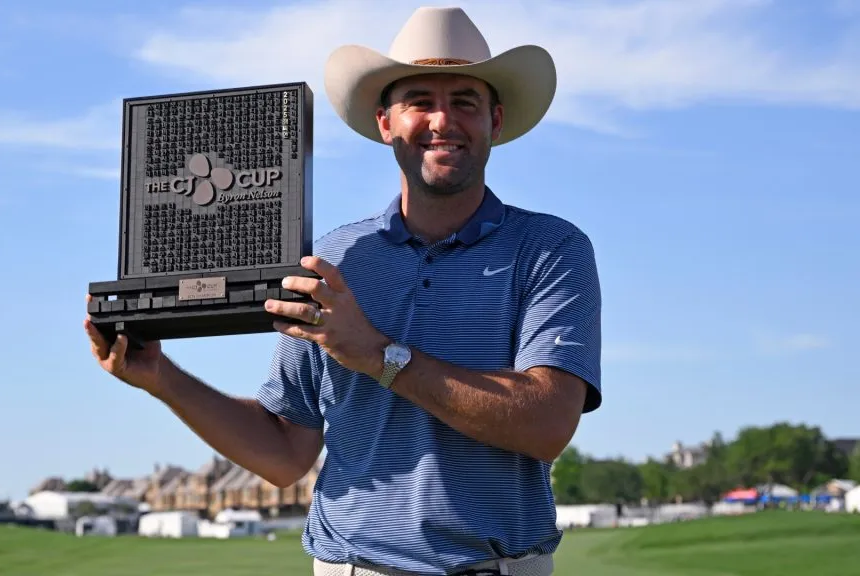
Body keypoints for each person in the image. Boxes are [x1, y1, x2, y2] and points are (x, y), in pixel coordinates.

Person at [84, 6, 601, 576]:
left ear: (494, 121)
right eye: (420, 101)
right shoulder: (334, 259)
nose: (441, 120)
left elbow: (546, 425)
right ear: (385, 123)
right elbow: (285, 452)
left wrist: (378, 356)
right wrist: (163, 379)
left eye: (464, 102)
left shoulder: (550, 248)